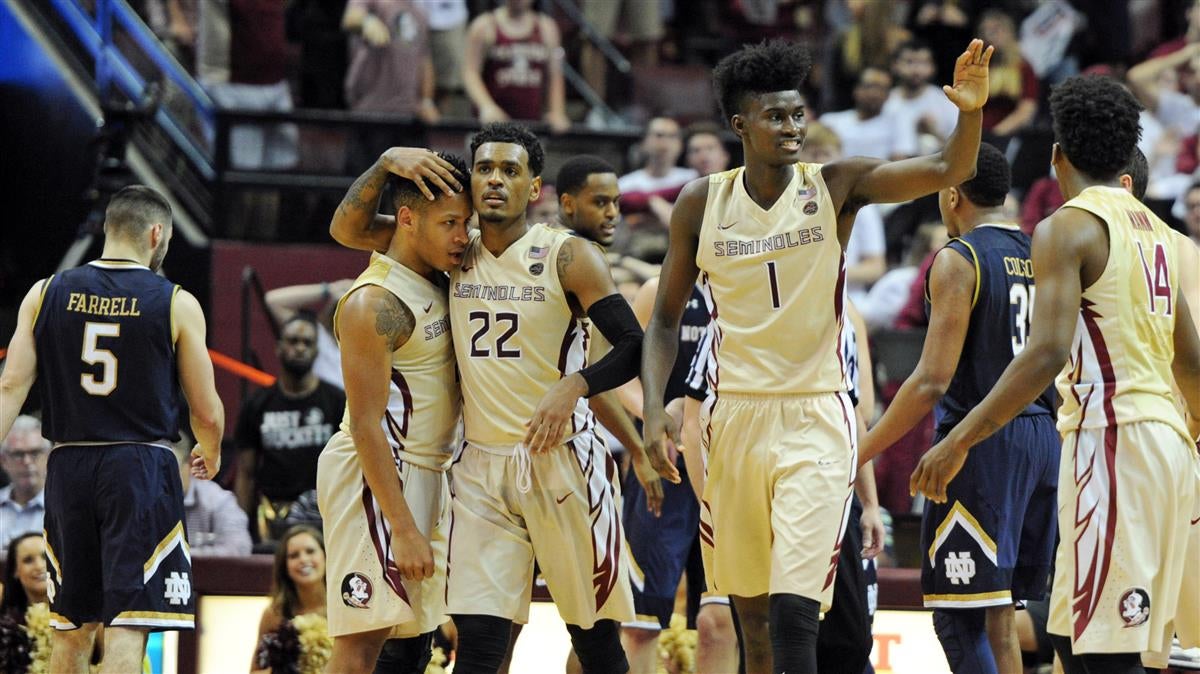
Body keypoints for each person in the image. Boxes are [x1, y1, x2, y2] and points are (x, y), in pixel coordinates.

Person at [641, 38, 992, 673]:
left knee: (797, 611)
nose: (792, 127)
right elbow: (664, 320)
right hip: (730, 417)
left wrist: (970, 113)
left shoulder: (837, 185)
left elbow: (947, 169)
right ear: (739, 123)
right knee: (750, 618)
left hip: (815, 415)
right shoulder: (701, 202)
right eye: (776, 116)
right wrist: (652, 413)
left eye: (798, 114)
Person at [331, 124, 678, 674]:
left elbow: (637, 344)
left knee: (594, 641)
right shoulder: (452, 249)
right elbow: (347, 229)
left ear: (534, 188)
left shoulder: (569, 256)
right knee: (480, 642)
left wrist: (577, 386)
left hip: (564, 462)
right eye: (485, 168)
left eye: (510, 170)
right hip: (480, 469)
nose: (495, 179)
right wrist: (387, 161)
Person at [908, 75, 1200, 674]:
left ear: (1056, 156)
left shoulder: (1066, 226)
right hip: (1166, 444)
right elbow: (1191, 362)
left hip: (1113, 437)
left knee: (1105, 652)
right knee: (1073, 636)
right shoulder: (1165, 233)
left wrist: (958, 440)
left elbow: (1045, 355)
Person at [0, 185, 225, 672]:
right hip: (138, 465)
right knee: (129, 625)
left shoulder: (43, 293)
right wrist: (212, 449)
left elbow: (10, 387)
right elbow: (205, 408)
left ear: (108, 229)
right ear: (156, 233)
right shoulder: (175, 302)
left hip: (66, 464)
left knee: (70, 629)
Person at [858, 143, 1060, 674]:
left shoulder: (959, 257)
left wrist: (859, 451)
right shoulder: (1042, 249)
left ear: (951, 195)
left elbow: (929, 381)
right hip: (1043, 436)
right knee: (999, 613)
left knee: (959, 616)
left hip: (982, 441)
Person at [320, 149, 470, 674]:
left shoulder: (432, 265)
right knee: (362, 644)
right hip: (377, 473)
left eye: (466, 223)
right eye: (450, 223)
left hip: (428, 470)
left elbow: (347, 225)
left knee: (411, 644)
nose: (462, 236)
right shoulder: (374, 303)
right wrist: (403, 527)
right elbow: (365, 425)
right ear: (406, 219)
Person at [234, 313, 345, 544]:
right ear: (279, 347)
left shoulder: (337, 401)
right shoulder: (257, 405)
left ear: (317, 350)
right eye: (293, 341)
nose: (300, 348)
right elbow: (246, 472)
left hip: (325, 513)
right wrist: (241, 527)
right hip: (273, 516)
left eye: (308, 343)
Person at [462, 0, 569, 132]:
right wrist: (486, 106)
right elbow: (471, 72)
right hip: (491, 128)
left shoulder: (547, 28)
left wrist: (557, 111)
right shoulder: (484, 26)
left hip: (532, 128)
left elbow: (555, 74)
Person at [252, 525, 328, 673]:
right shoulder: (274, 613)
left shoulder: (345, 607)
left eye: (310, 551)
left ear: (325, 556)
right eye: (294, 555)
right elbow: (255, 671)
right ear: (284, 566)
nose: (303, 559)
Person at [173, 435, 252, 557]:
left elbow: (239, 550)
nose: (159, 479)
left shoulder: (218, 501)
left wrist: (178, 558)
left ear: (189, 463)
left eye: (168, 470)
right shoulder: (142, 501)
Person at [0, 415, 49, 557]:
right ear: (3, 460)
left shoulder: (63, 506)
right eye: (18, 454)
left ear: (48, 456)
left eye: (35, 453)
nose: (27, 462)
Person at [0, 532, 49, 620]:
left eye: (45, 557)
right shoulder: (6, 625)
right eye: (28, 560)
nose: (39, 566)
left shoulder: (79, 615)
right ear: (15, 570)